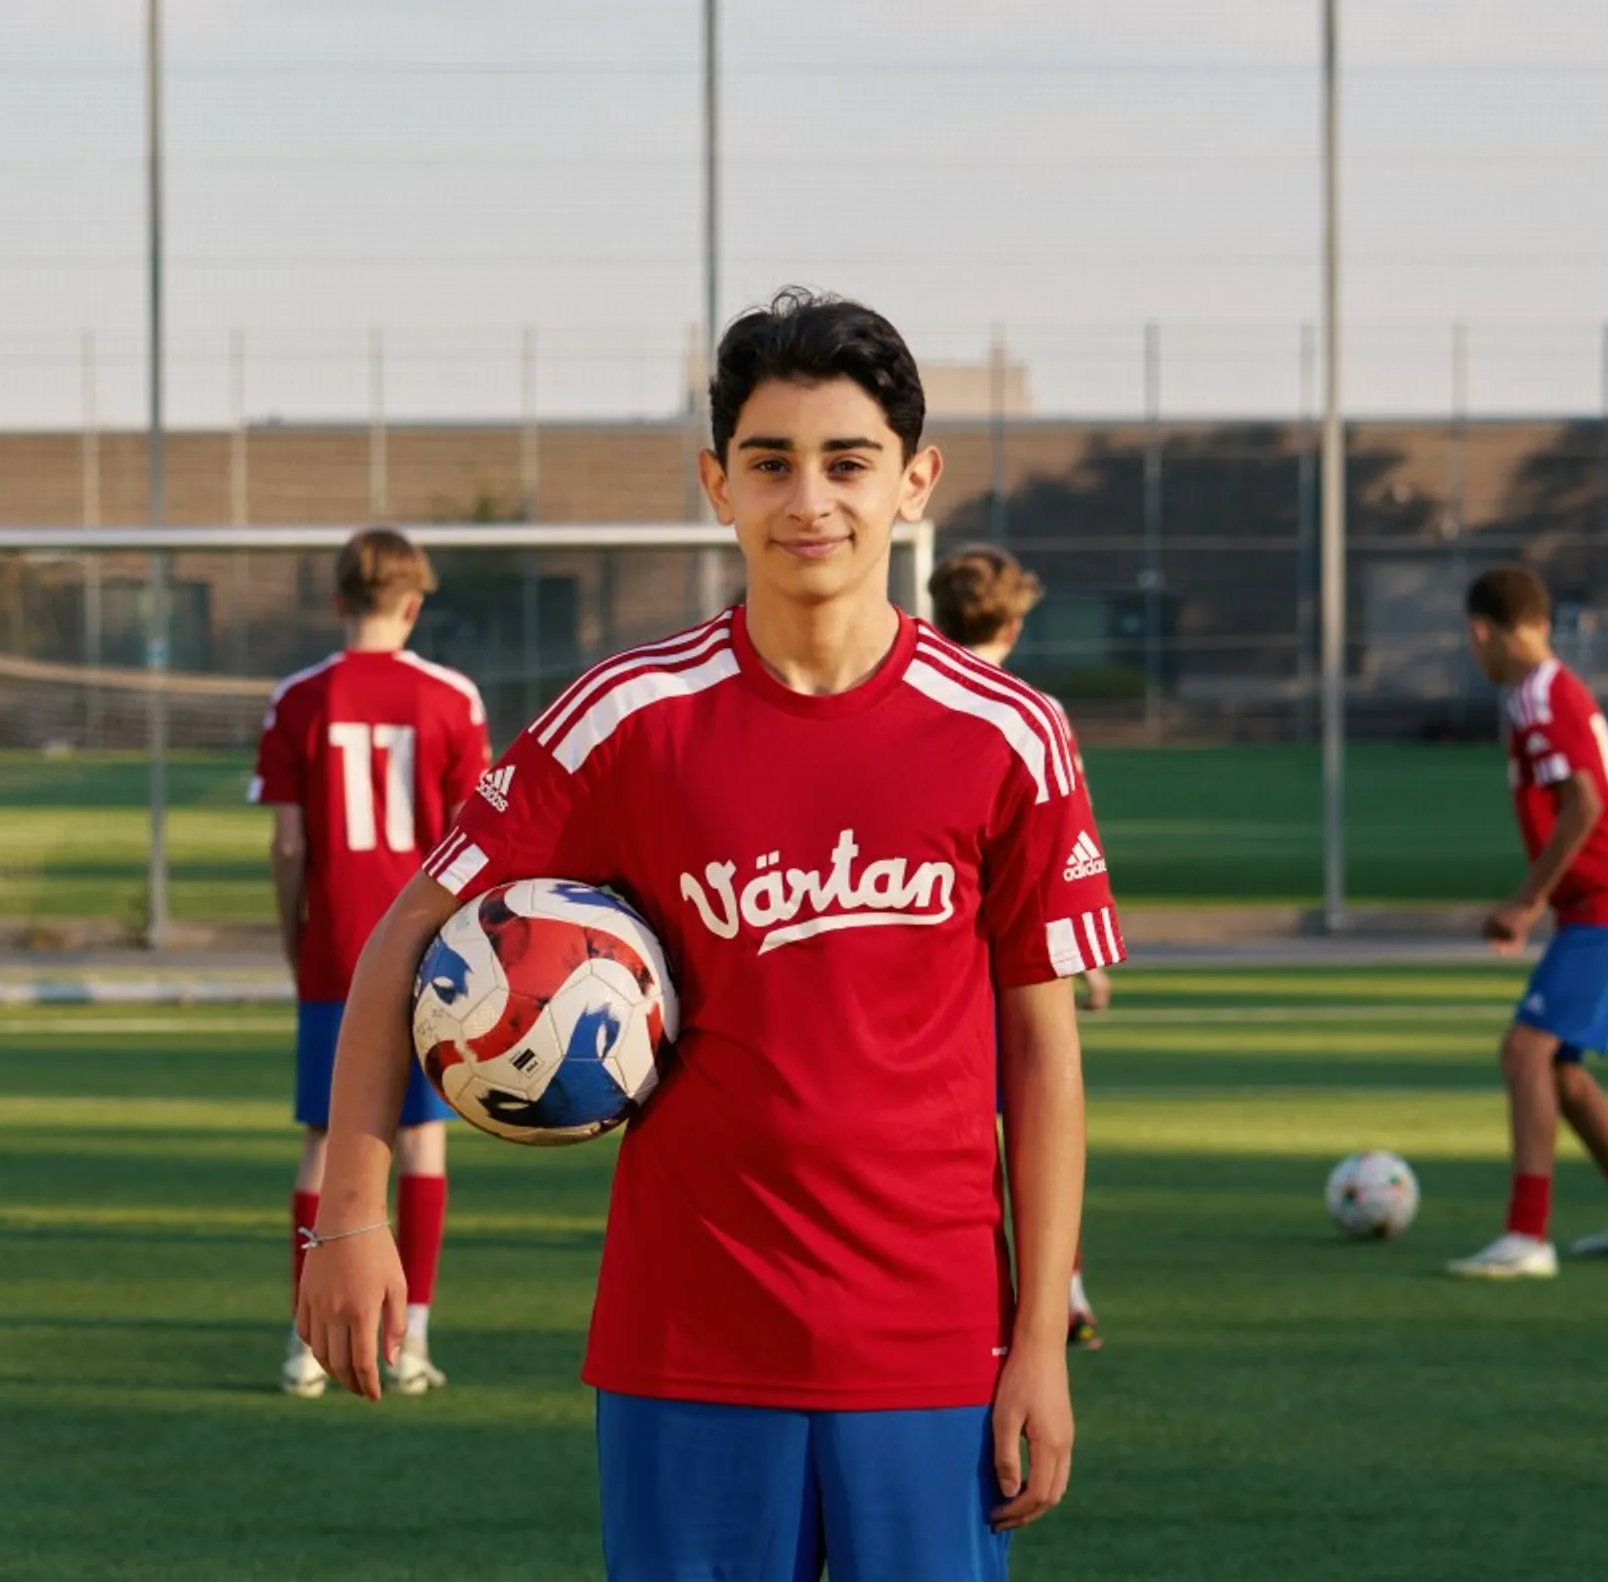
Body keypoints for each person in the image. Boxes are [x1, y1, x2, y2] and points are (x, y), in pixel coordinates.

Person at [301, 289, 1115, 1578]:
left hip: (933, 1346)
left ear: (915, 483)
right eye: (771, 462)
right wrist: (352, 1216)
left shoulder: (1009, 732)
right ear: (715, 484)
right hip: (691, 1342)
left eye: (849, 463)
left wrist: (1034, 1346)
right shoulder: (631, 716)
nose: (811, 500)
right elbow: (407, 933)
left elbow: (1041, 1053)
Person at [249, 529, 490, 1398]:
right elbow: (476, 842)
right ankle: (411, 1335)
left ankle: (305, 1341)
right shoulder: (452, 698)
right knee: (422, 1138)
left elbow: (287, 844)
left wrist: (296, 939)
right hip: (432, 959)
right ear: (415, 603)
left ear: (337, 602)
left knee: (325, 1140)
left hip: (336, 949)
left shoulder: (299, 698)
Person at [1446, 567, 1608, 1281]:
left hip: (1607, 904)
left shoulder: (1537, 697)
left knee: (1523, 1053)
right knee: (1562, 1074)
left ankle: (1527, 1235)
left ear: (1481, 631)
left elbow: (1582, 804)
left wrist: (1526, 902)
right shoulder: (1548, 691)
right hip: (1604, 904)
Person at [926, 543, 1106, 1353]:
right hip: (1010, 977)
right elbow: (1061, 859)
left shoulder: (908, 699)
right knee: (1035, 1125)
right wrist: (1086, 961)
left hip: (931, 982)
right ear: (1020, 617)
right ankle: (1059, 1288)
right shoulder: (1032, 712)